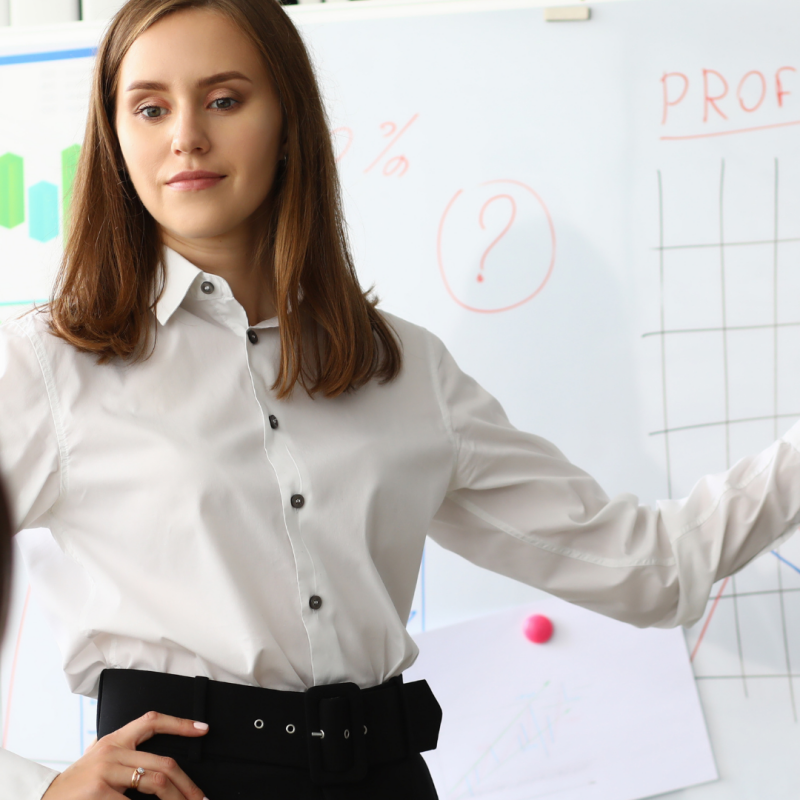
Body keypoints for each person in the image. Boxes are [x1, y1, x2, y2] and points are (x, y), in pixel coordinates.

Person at [3, 0, 800, 797]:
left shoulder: (401, 367)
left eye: (224, 99)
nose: (184, 136)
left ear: (288, 123)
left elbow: (650, 571)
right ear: (114, 138)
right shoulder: (53, 367)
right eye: (149, 108)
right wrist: (39, 789)